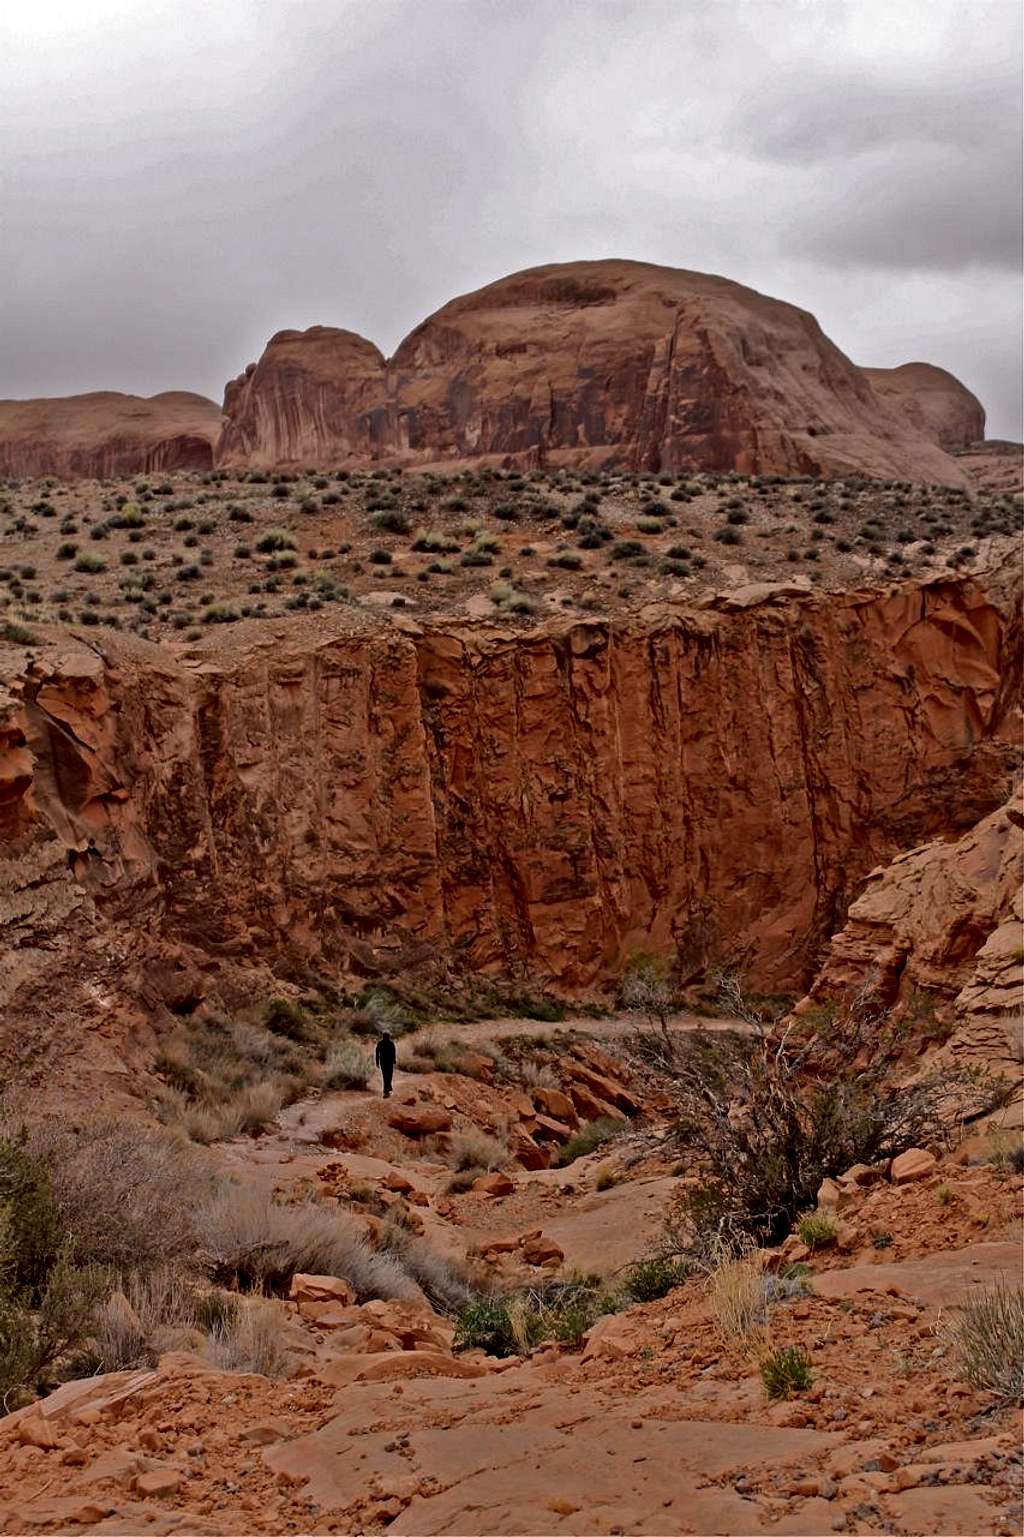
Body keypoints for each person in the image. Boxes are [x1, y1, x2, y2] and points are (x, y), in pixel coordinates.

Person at [374, 1029, 396, 1098]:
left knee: (385, 1076)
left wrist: (377, 1062)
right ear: (388, 1036)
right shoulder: (391, 1043)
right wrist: (394, 1060)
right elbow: (393, 1053)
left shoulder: (380, 1043)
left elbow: (377, 1053)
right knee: (389, 1076)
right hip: (389, 1062)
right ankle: (386, 1089)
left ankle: (387, 1088)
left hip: (383, 1062)